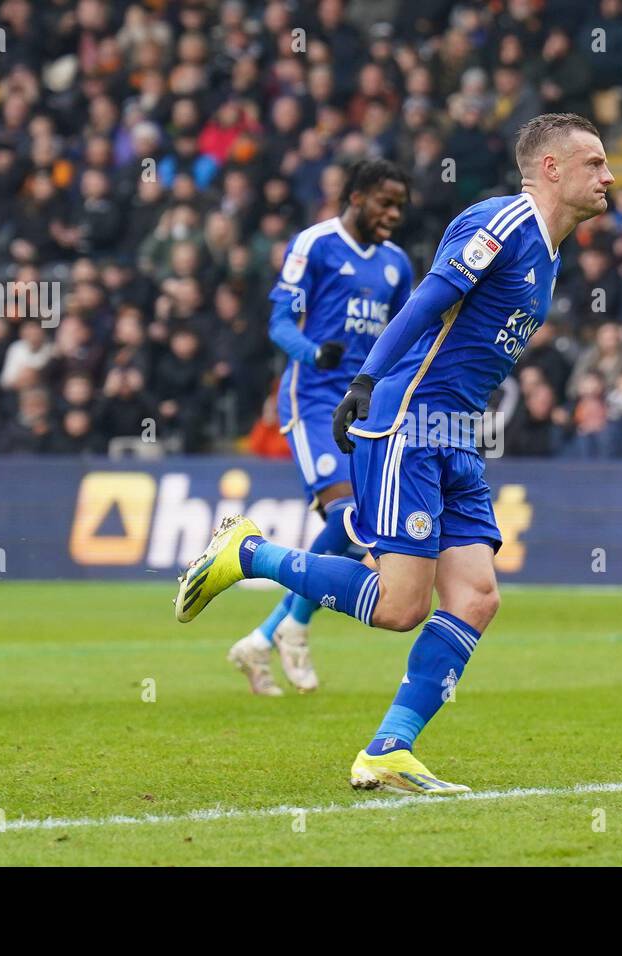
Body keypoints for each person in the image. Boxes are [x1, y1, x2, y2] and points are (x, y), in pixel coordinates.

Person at [175, 113, 614, 794]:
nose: (609, 177)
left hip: (456, 437)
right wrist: (365, 380)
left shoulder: (551, 254)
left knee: (475, 597)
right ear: (551, 168)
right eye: (594, 163)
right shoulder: (502, 224)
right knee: (399, 606)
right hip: (410, 424)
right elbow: (425, 302)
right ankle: (247, 555)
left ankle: (388, 749)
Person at [228, 159, 412, 697]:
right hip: (311, 399)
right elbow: (279, 321)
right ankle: (292, 628)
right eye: (384, 202)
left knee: (363, 528)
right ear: (355, 196)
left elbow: (404, 335)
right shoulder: (316, 244)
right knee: (348, 512)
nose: (393, 214)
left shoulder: (397, 265)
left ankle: (268, 635)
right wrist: (313, 353)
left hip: (365, 406)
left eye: (400, 206)